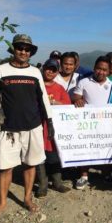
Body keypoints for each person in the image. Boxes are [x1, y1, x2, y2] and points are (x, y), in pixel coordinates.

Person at [0, 34, 53, 219]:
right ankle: (2, 203)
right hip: (9, 128)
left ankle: (27, 198)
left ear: (31, 53)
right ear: (13, 49)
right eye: (19, 48)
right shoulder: (1, 70)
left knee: (30, 163)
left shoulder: (35, 73)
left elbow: (43, 98)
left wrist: (49, 121)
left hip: (32, 126)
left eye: (27, 49)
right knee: (5, 167)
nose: (23, 52)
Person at [72, 55, 112, 189]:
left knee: (105, 147)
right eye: (99, 69)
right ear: (94, 68)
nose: (101, 72)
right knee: (86, 148)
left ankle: (106, 174)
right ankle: (84, 176)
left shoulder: (111, 85)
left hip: (105, 124)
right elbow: (76, 97)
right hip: (88, 123)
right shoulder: (84, 82)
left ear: (108, 71)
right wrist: (78, 100)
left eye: (104, 70)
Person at [36, 59, 72, 197]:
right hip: (38, 127)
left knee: (55, 155)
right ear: (43, 68)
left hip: (54, 129)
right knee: (39, 157)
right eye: (48, 68)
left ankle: (57, 182)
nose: (50, 72)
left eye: (54, 69)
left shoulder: (59, 88)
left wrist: (56, 103)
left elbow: (68, 106)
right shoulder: (36, 85)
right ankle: (43, 185)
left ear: (57, 72)